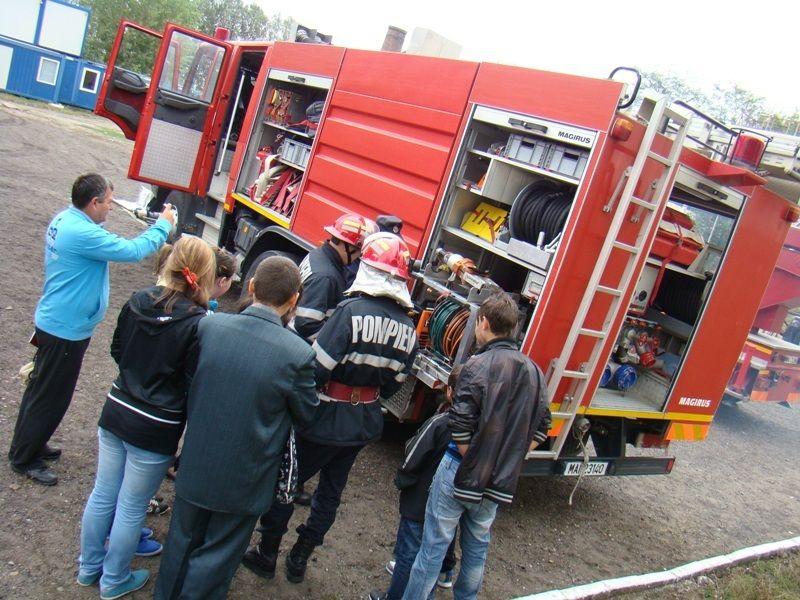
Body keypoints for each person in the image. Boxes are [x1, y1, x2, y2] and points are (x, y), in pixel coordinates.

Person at [242, 232, 418, 584]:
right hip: (363, 421)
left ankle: (267, 553)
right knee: (330, 494)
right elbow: (397, 383)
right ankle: (300, 557)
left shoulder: (351, 311)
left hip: (323, 416)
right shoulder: (409, 327)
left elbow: (316, 366)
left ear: (367, 267)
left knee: (287, 482)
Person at [154, 256, 319, 600]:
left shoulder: (211, 327)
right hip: (247, 477)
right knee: (216, 559)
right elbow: (307, 414)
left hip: (197, 461)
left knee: (180, 544)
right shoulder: (299, 354)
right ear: (294, 300)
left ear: (252, 287)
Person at [8, 173, 175, 486]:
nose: (111, 207)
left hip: (59, 322)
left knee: (42, 389)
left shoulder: (67, 220)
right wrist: (163, 226)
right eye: (108, 202)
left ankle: (30, 443)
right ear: (94, 202)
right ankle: (24, 457)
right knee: (50, 396)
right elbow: (133, 251)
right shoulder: (82, 232)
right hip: (65, 329)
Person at [77, 236, 215, 599]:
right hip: (156, 425)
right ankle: (113, 580)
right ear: (204, 273)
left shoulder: (138, 299)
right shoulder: (199, 322)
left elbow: (117, 348)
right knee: (131, 505)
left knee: (103, 492)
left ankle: (88, 566)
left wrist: (136, 375)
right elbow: (193, 379)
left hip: (117, 407)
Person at [402, 291, 551, 600]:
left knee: (432, 548)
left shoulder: (477, 364)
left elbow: (459, 423)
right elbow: (542, 428)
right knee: (477, 548)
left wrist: (475, 460)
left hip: (459, 470)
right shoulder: (535, 372)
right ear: (512, 327)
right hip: (498, 478)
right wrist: (510, 458)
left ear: (483, 323)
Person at [292, 213, 377, 505]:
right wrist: (337, 343)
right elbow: (306, 324)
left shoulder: (319, 257)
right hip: (302, 354)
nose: (359, 257)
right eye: (359, 250)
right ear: (348, 245)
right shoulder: (327, 276)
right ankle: (288, 485)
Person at [369, 366, 463, 600]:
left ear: (449, 391)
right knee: (432, 555)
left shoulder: (439, 423)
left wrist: (404, 479)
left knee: (408, 556)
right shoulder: (481, 430)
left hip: (418, 504)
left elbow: (413, 454)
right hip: (448, 506)